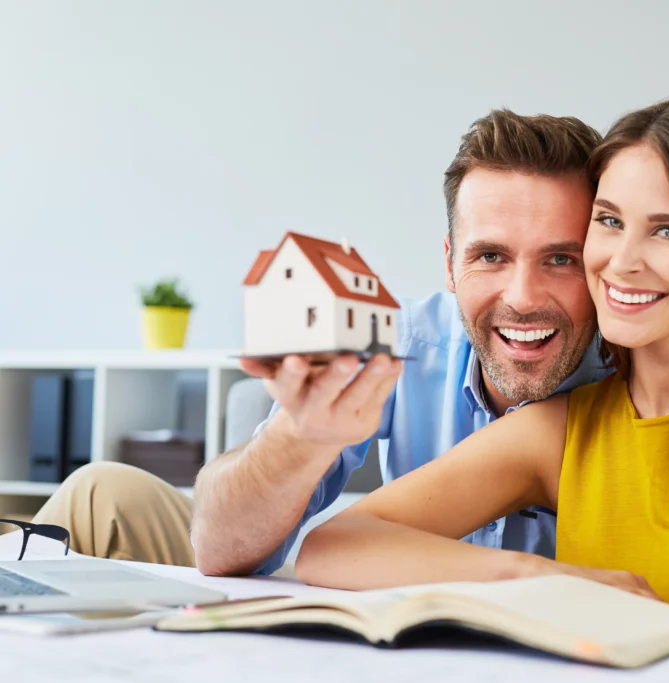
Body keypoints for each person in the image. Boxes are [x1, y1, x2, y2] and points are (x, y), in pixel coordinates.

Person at [292, 97, 669, 639]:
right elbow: (333, 546)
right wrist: (534, 576)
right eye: (608, 221)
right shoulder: (562, 430)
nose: (621, 260)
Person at [30, 108, 612, 576]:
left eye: (561, 259)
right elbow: (221, 549)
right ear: (449, 264)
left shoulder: (636, 373)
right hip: (360, 596)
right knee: (98, 491)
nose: (523, 298)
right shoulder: (399, 340)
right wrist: (299, 436)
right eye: (490, 256)